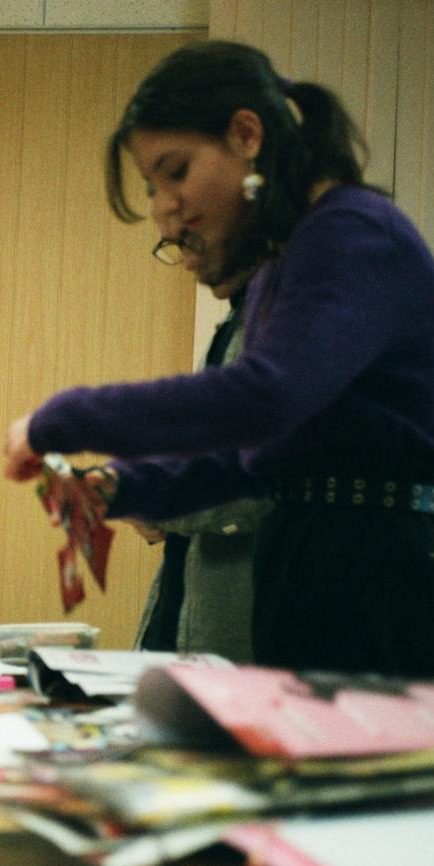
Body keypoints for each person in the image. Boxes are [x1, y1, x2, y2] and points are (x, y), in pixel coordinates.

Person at [2, 40, 434, 678]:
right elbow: (258, 463)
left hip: (374, 569)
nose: (162, 207)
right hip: (316, 558)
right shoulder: (290, 259)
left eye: (175, 171)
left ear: (246, 134)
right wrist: (126, 484)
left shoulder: (352, 231)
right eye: (152, 186)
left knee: (339, 774)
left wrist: (62, 417)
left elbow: (263, 398)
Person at [131, 260, 269, 662]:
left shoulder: (287, 327)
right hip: (185, 597)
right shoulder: (237, 322)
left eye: (191, 236)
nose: (189, 261)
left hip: (238, 621)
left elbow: (264, 478)